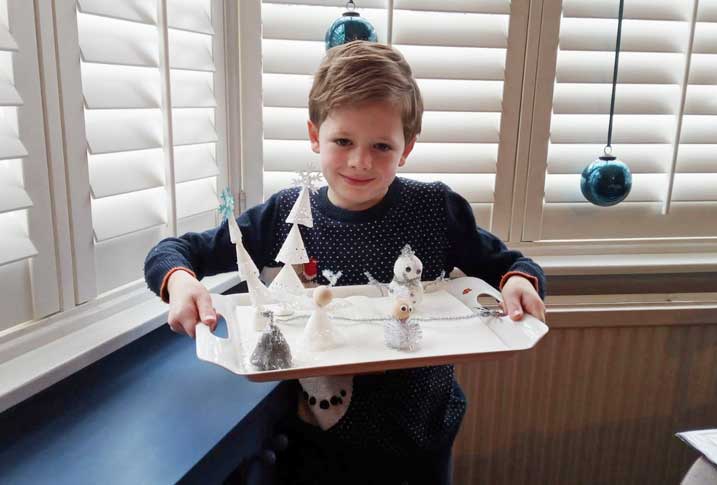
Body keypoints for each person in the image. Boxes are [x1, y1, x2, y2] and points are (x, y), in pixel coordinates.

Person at [144, 40, 546, 485]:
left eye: (381, 146)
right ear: (315, 135)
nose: (360, 161)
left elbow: (511, 265)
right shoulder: (283, 216)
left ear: (407, 147)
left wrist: (520, 282)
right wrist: (179, 281)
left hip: (422, 442)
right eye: (342, 141)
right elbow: (173, 252)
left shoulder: (436, 209)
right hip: (316, 448)